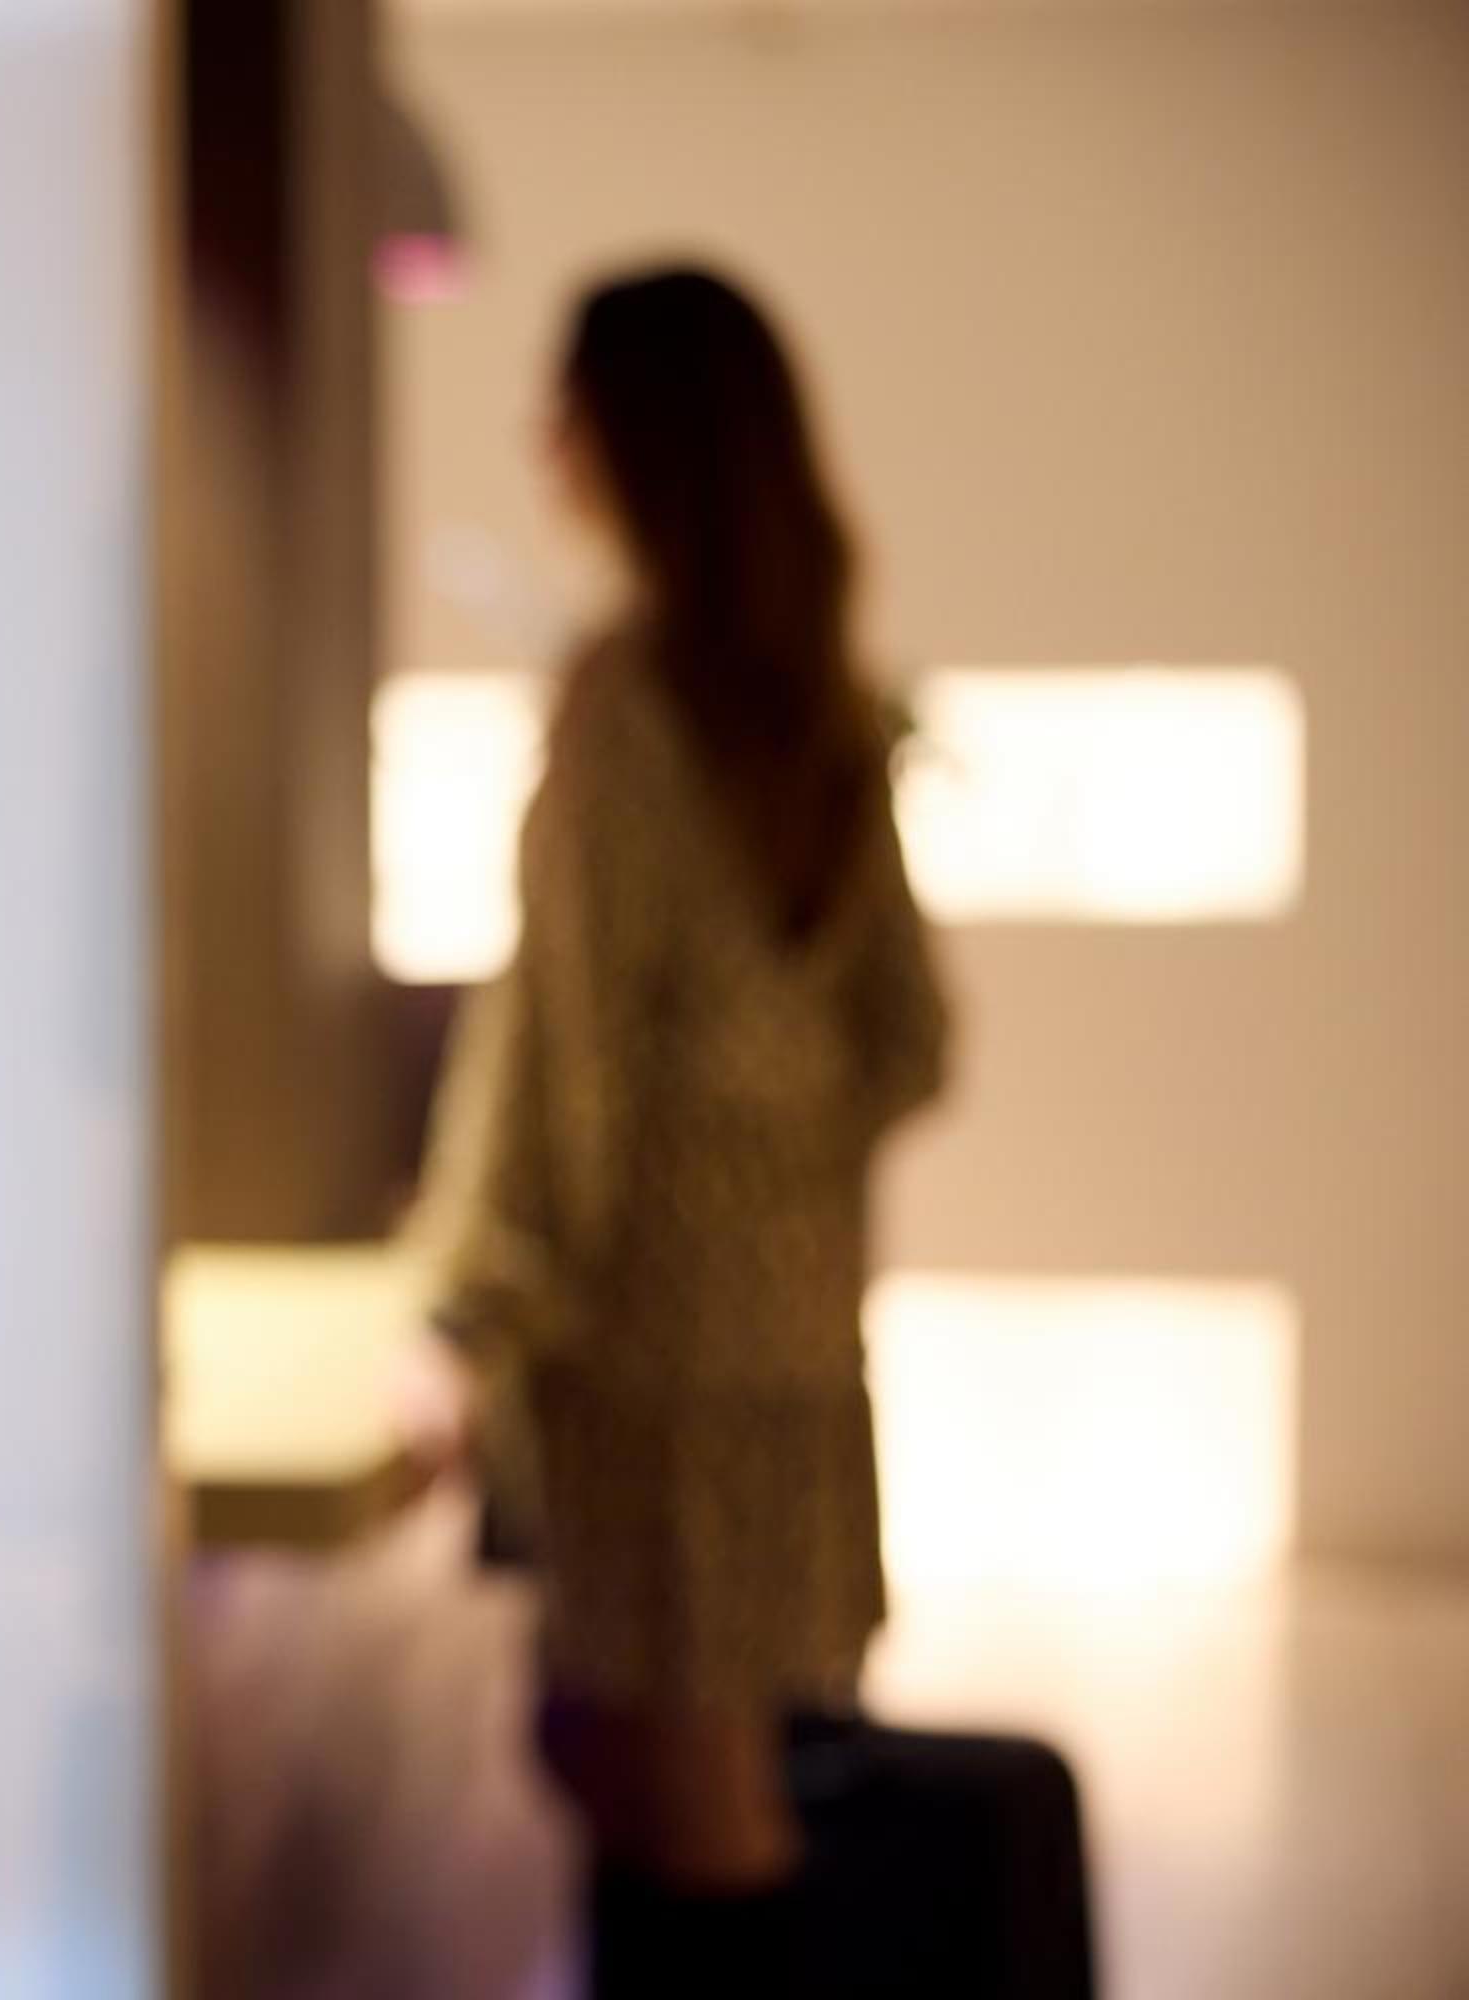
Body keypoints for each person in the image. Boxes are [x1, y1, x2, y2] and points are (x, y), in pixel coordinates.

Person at [417, 264, 951, 1993]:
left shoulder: (628, 714)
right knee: (663, 1770)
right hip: (787, 1342)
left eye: (564, 401)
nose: (540, 440)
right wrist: (768, 1144)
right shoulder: (822, 713)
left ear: (631, 434)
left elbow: (562, 1062)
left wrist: (470, 1314)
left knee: (692, 1804)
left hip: (648, 1365)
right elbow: (907, 1044)